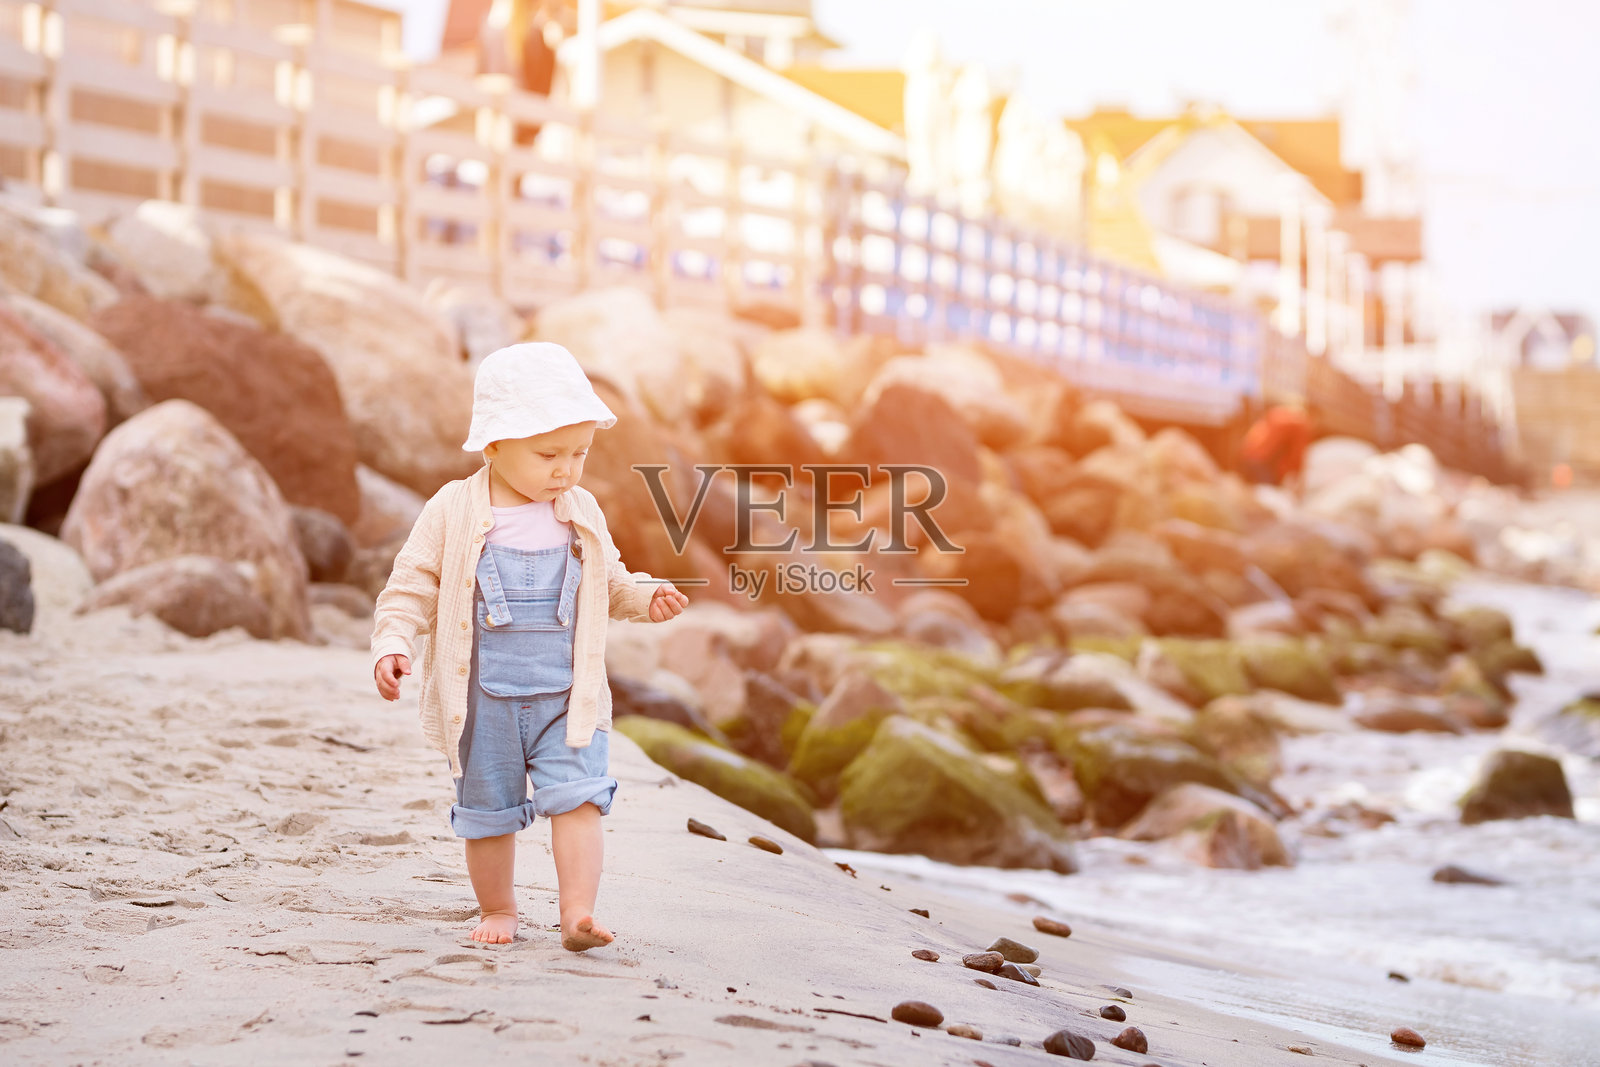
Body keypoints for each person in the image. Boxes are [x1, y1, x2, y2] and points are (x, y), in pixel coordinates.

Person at [371, 342, 689, 950]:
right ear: (494, 445)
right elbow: (411, 586)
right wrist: (393, 642)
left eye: (580, 454)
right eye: (549, 455)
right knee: (488, 814)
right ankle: (499, 910)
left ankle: (577, 913)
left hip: (567, 699)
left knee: (579, 799)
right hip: (481, 702)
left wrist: (644, 597)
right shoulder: (453, 509)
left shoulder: (581, 512)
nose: (566, 469)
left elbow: (609, 582)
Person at [1239, 401, 1316, 490]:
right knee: (1267, 495)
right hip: (1262, 458)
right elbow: (1297, 455)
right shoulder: (1301, 425)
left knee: (1251, 491)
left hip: (1247, 450)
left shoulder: (1281, 413)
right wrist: (1295, 478)